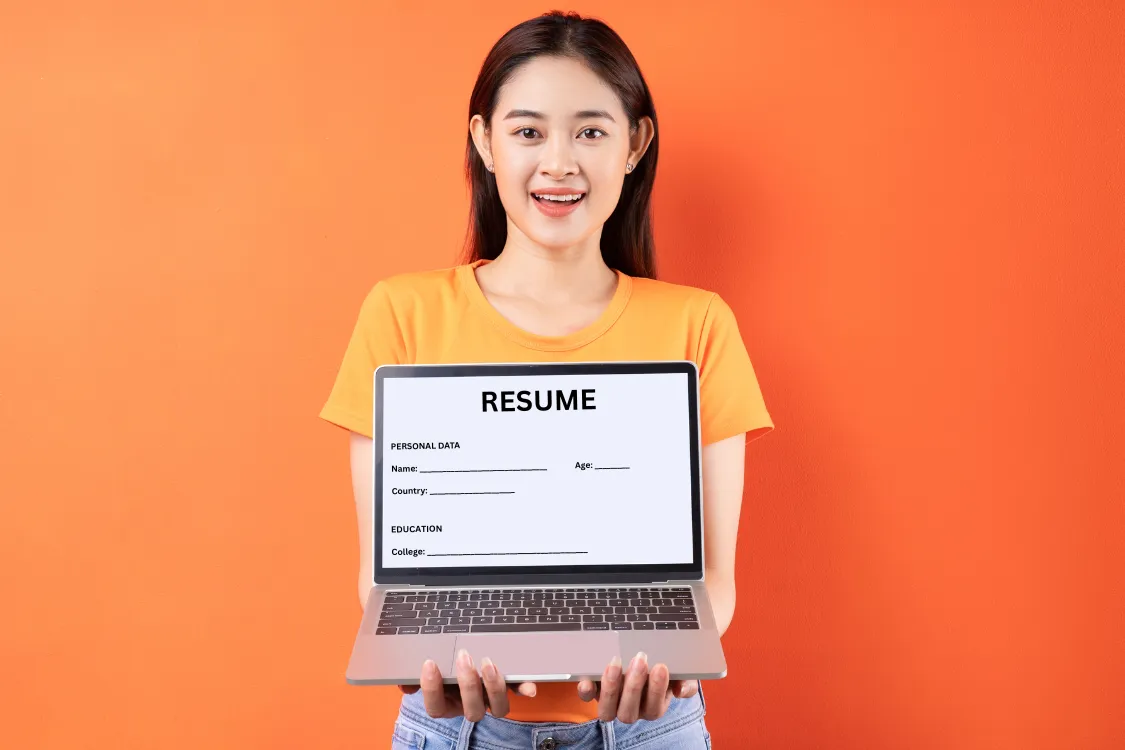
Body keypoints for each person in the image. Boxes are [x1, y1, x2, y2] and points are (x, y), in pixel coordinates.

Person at [320, 10, 774, 749]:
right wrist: (427, 659)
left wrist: (670, 658)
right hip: (457, 729)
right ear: (483, 143)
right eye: (528, 131)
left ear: (635, 145)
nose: (558, 162)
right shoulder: (401, 313)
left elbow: (712, 584)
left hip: (648, 730)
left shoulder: (699, 325)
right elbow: (385, 581)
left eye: (590, 131)